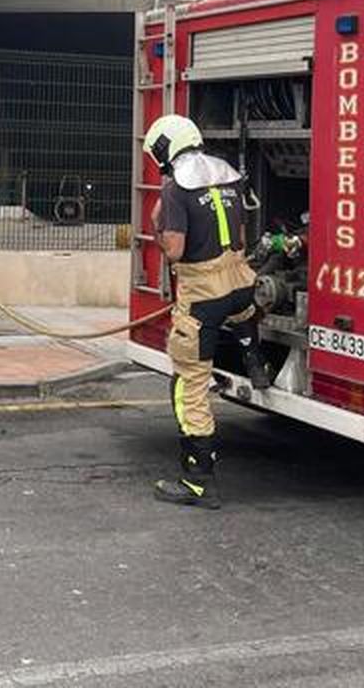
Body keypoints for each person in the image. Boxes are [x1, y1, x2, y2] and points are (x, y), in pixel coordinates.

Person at [143, 113, 269, 509]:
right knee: (243, 313)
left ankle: (198, 481)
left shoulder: (175, 190)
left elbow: (175, 250)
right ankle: (255, 361)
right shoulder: (227, 176)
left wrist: (158, 227)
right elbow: (242, 237)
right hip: (240, 283)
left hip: (202, 297)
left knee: (189, 385)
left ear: (165, 149)